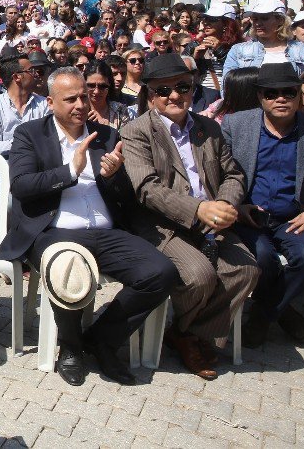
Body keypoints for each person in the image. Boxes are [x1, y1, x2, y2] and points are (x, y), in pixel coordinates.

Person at [0, 66, 177, 386]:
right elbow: (21, 185)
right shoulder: (30, 134)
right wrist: (69, 172)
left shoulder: (106, 135)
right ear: (51, 102)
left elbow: (126, 197)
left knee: (160, 272)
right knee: (68, 267)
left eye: (84, 97)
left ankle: (102, 339)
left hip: (105, 230)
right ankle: (70, 348)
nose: (81, 104)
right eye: (71, 99)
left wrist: (113, 177)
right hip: (54, 231)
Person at [121, 54, 259, 380]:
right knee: (199, 276)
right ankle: (190, 336)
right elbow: (147, 189)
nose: (174, 95)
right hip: (162, 225)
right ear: (150, 96)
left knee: (246, 269)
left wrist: (223, 205)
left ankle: (185, 333)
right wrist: (198, 209)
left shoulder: (208, 127)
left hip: (212, 221)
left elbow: (234, 174)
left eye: (182, 87)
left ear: (192, 88)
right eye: (163, 90)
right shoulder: (137, 132)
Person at [221, 64, 304, 347]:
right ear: (260, 97)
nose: (281, 98)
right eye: (272, 93)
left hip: (296, 217)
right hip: (248, 217)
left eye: (288, 92)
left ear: (298, 94)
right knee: (263, 259)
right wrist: (237, 205)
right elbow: (220, 174)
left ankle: (263, 315)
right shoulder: (236, 125)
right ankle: (283, 310)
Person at [223, 0, 304, 77]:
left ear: (280, 20)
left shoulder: (302, 50)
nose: (258, 23)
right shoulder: (239, 50)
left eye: (265, 18)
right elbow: (228, 84)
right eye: (255, 19)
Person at [0, 49, 50, 157]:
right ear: (17, 77)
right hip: (5, 169)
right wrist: (28, 143)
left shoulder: (44, 105)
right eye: (31, 70)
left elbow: (48, 139)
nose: (36, 74)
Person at [83, 60, 132, 130]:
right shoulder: (78, 110)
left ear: (109, 85)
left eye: (102, 86)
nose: (96, 91)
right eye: (91, 85)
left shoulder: (120, 111)